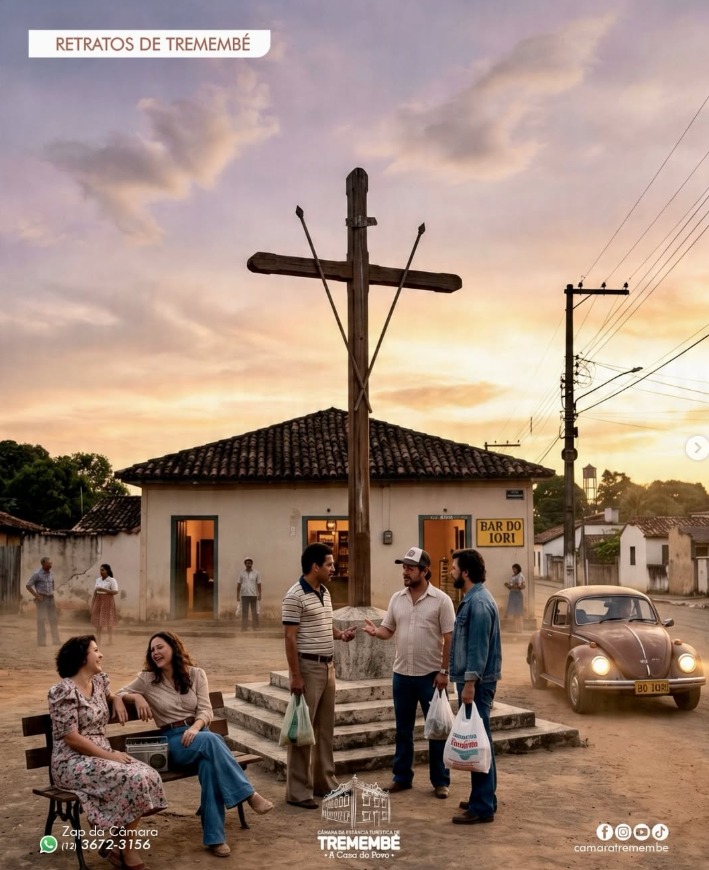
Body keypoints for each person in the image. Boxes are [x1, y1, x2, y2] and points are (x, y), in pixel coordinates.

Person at [118, 631, 273, 858]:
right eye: (152, 650)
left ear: (173, 647)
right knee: (213, 741)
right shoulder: (148, 679)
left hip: (199, 734)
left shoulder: (197, 674)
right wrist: (137, 697)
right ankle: (249, 795)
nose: (156, 653)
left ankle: (215, 839)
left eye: (160, 647)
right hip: (173, 741)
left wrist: (195, 727)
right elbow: (120, 692)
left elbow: (206, 710)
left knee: (210, 766)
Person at [48, 635, 166, 870]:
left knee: (147, 774)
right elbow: (71, 737)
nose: (101, 655)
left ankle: (116, 845)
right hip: (71, 761)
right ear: (83, 657)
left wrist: (118, 699)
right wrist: (110, 756)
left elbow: (109, 695)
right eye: (96, 650)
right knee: (131, 777)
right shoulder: (62, 691)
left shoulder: (99, 682)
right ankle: (127, 852)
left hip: (100, 755)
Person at [363, 547, 455, 799]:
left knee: (436, 729)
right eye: (403, 567)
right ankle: (402, 777)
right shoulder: (397, 599)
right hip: (402, 675)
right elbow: (388, 629)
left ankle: (440, 781)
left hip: (431, 676)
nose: (405, 572)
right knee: (402, 730)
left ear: (424, 571)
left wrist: (444, 672)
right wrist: (376, 632)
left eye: (410, 568)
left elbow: (450, 638)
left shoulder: (442, 600)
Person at [282, 542, 357, 809]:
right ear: (315, 567)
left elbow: (324, 626)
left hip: (328, 668)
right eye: (329, 564)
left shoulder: (324, 592)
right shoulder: (294, 596)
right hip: (308, 669)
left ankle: (325, 783)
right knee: (303, 730)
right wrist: (295, 675)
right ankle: (298, 792)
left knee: (325, 729)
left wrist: (340, 634)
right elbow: (290, 638)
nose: (333, 568)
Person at [449, 549, 502, 825]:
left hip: (477, 684)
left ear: (465, 572)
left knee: (478, 743)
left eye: (454, 568)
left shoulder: (478, 603)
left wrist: (469, 683)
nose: (451, 572)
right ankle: (484, 797)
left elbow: (477, 648)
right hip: (476, 682)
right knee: (482, 741)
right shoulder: (474, 598)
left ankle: (482, 807)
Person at [26, 556, 61, 647]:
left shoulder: (51, 573)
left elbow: (52, 584)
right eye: (49, 563)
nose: (51, 564)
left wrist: (51, 594)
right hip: (42, 600)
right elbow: (28, 585)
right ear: (43, 563)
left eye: (51, 563)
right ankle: (41, 642)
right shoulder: (37, 574)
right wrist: (36, 595)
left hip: (51, 598)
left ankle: (56, 641)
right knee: (41, 620)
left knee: (53, 619)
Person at [90, 563, 119, 645]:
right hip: (98, 600)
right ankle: (98, 640)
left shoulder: (112, 580)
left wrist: (104, 590)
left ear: (107, 571)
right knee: (98, 621)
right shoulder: (98, 580)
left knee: (108, 620)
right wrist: (93, 602)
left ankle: (110, 640)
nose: (101, 572)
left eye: (103, 570)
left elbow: (116, 591)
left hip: (108, 601)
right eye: (100, 570)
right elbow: (95, 591)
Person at [237, 557, 261, 630]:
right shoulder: (241, 573)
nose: (248, 564)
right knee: (245, 612)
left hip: (253, 595)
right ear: (245, 564)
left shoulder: (256, 573)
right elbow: (239, 585)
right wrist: (237, 595)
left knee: (254, 612)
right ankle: (244, 627)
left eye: (249, 563)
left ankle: (255, 627)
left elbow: (259, 584)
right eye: (247, 563)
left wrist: (260, 594)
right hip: (244, 595)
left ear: (252, 564)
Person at [504, 563, 526, 633]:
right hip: (512, 594)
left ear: (518, 568)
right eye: (513, 569)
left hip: (517, 594)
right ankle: (516, 628)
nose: (513, 570)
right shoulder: (513, 576)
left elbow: (520, 585)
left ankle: (520, 629)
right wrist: (508, 585)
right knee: (514, 612)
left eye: (515, 569)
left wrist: (513, 586)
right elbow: (511, 585)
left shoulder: (520, 576)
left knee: (518, 612)